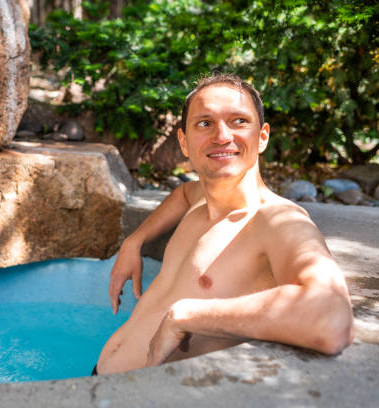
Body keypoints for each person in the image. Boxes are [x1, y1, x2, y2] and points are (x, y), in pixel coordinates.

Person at [93, 74, 354, 375]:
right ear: (184, 142)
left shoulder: (277, 221)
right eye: (205, 123)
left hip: (148, 395)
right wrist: (134, 241)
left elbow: (332, 319)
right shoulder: (200, 200)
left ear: (263, 136)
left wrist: (188, 315)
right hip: (101, 378)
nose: (221, 136)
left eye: (238, 121)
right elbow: (181, 194)